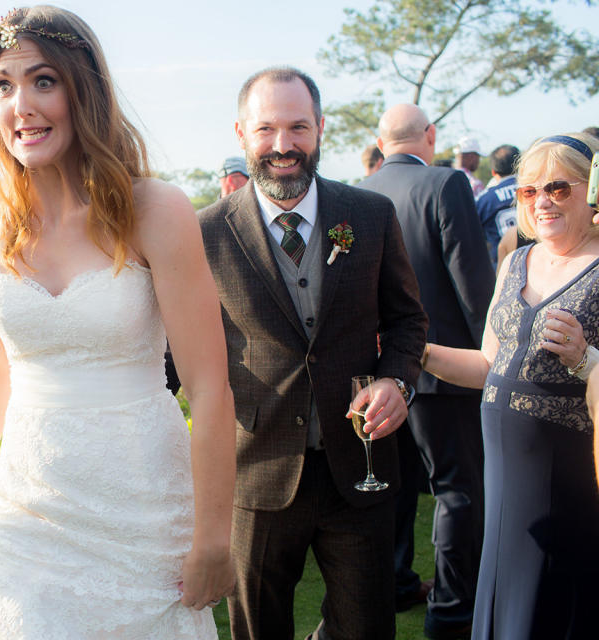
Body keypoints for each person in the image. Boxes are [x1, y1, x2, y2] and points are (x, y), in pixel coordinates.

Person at [0, 6, 235, 638]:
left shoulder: (155, 212)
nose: (21, 104)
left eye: (43, 80)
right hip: (29, 511)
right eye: (3, 85)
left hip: (145, 512)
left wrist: (214, 535)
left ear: (86, 90)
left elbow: (211, 389)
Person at [199, 67, 427, 640]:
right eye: (266, 129)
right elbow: (181, 351)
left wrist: (398, 384)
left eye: (298, 127)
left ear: (320, 128)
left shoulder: (370, 215)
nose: (283, 145)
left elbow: (406, 321)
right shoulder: (205, 234)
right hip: (256, 471)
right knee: (258, 629)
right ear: (241, 133)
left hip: (362, 468)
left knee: (366, 628)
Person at [421, 132, 599, 639]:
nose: (542, 201)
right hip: (501, 477)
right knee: (503, 596)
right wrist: (420, 353)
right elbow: (487, 365)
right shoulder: (515, 260)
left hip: (569, 479)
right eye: (529, 191)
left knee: (555, 605)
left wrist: (585, 356)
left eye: (559, 188)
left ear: (592, 193)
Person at [360, 104, 494, 640]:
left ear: (379, 140)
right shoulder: (447, 184)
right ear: (430, 136)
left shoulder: (357, 193)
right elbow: (472, 282)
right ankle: (453, 607)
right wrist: (494, 351)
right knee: (457, 489)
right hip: (445, 372)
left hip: (380, 372)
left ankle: (392, 585)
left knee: (392, 488)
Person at [475, 144, 520, 266]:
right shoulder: (536, 190)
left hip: (504, 265)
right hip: (540, 261)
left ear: (493, 172)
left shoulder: (484, 199)